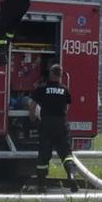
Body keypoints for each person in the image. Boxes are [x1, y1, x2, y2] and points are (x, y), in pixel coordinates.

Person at [28, 63, 79, 191]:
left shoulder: (41, 89)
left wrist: (33, 118)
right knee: (66, 154)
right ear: (61, 76)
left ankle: (41, 185)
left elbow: (32, 106)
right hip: (61, 124)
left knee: (44, 155)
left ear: (50, 74)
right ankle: (71, 176)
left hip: (47, 124)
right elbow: (67, 107)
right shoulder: (65, 90)